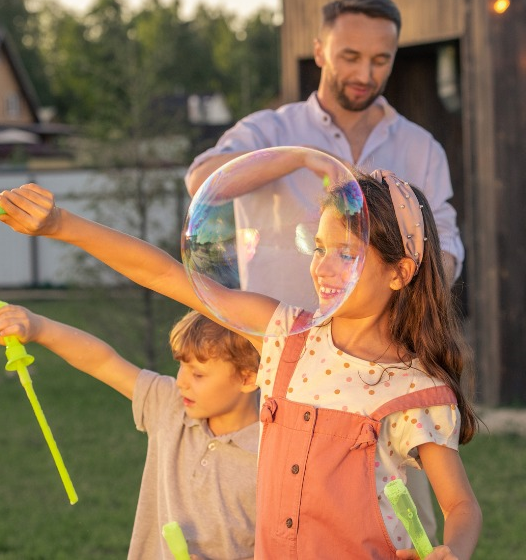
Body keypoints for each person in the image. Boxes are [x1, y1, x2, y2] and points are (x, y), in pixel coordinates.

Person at [0, 172, 481, 559]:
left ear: (400, 272)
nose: (323, 268)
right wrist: (61, 225)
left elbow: (460, 506)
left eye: (347, 254)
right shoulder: (283, 336)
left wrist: (453, 551)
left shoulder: (412, 392)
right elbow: (163, 273)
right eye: (319, 249)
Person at [185, 0, 460, 538]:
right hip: (279, 370)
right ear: (319, 52)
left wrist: (415, 290)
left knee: (407, 530)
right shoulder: (270, 128)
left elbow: (446, 245)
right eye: (350, 56)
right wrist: (296, 157)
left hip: (378, 377)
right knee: (267, 524)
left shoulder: (420, 147)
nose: (365, 74)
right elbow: (203, 180)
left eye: (381, 59)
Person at [0, 306, 259, 560]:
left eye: (198, 375)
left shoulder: (272, 454)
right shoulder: (169, 405)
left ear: (247, 378)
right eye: (181, 367)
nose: (181, 382)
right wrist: (38, 328)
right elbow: (102, 362)